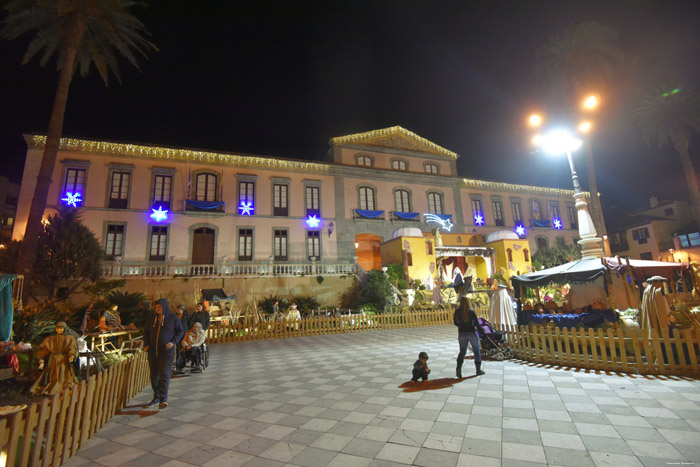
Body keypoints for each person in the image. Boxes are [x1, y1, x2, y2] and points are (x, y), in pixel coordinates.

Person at [143, 298, 183, 409]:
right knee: (154, 375)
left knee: (164, 374)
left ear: (164, 307)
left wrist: (173, 342)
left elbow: (180, 331)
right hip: (152, 352)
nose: (157, 309)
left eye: (159, 307)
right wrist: (146, 344)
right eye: (156, 307)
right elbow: (145, 331)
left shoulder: (173, 318)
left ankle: (163, 398)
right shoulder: (152, 319)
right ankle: (156, 396)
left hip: (166, 352)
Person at [30, 322, 79, 395]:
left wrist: (71, 356)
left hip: (63, 359)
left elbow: (72, 347)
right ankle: (52, 385)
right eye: (57, 328)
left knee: (64, 374)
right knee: (53, 375)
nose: (59, 330)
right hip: (53, 359)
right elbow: (44, 348)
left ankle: (63, 385)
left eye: (61, 328)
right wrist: (41, 359)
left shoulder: (69, 337)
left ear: (64, 329)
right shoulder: (51, 338)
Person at [454, 296, 485, 378]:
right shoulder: (471, 311)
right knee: (476, 351)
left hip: (462, 333)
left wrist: (461, 325)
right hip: (471, 332)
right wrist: (482, 331)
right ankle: (478, 370)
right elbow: (477, 324)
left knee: (462, 351)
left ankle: (458, 368)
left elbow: (455, 322)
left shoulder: (457, 311)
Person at [174, 305, 190, 372]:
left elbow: (189, 324)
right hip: (177, 334)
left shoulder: (186, 316)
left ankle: (184, 361)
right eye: (177, 309)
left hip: (184, 334)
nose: (177, 311)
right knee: (178, 349)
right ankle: (178, 363)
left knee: (183, 348)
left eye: (179, 309)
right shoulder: (175, 316)